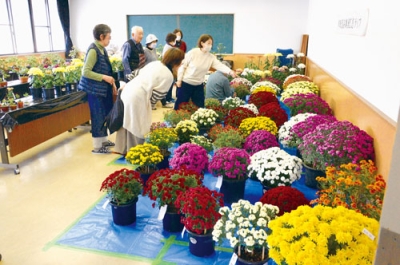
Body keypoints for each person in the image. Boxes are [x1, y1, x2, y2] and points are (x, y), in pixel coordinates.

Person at [114, 48, 185, 155]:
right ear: (176, 62)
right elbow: (156, 96)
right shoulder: (168, 76)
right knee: (138, 125)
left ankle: (122, 149)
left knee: (126, 120)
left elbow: (134, 73)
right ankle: (135, 152)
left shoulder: (155, 63)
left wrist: (129, 85)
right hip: (138, 96)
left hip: (127, 90)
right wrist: (147, 108)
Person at [78, 24, 117, 154]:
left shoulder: (102, 49)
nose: (109, 40)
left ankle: (104, 140)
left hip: (102, 89)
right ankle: (97, 146)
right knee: (97, 116)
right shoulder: (94, 50)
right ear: (101, 36)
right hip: (94, 91)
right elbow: (86, 72)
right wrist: (104, 77)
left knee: (105, 114)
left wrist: (111, 81)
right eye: (108, 38)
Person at [174, 34, 237, 110]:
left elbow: (220, 65)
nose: (210, 45)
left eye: (211, 44)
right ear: (202, 43)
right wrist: (179, 80)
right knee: (180, 105)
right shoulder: (193, 53)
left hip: (198, 85)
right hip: (186, 83)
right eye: (208, 43)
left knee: (200, 106)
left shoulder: (211, 57)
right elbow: (182, 66)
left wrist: (230, 72)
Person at [160, 33, 177, 108]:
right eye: (175, 40)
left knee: (171, 82)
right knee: (169, 83)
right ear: (171, 40)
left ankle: (169, 97)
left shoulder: (169, 46)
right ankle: (168, 98)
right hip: (168, 66)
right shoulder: (168, 47)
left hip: (169, 66)